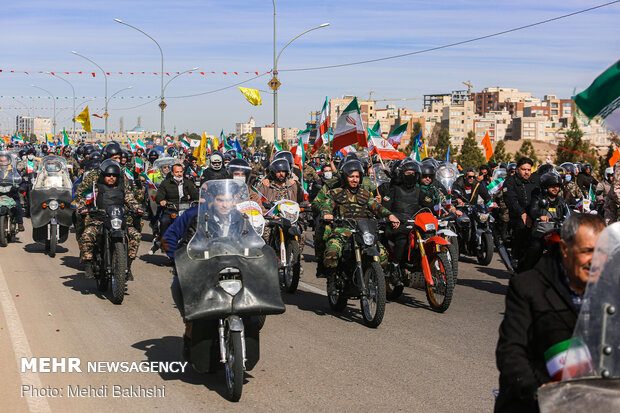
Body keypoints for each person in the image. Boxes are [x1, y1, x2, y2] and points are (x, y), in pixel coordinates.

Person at [494, 214, 605, 413]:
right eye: (588, 251)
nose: (596, 260)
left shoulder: (610, 291)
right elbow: (511, 352)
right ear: (565, 249)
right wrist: (538, 391)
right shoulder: (528, 287)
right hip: (536, 402)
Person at [318, 159, 400, 295]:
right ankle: (331, 280)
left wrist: (390, 216)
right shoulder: (335, 192)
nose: (354, 180)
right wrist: (327, 213)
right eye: (351, 176)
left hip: (364, 231)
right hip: (343, 230)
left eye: (357, 176)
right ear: (345, 177)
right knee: (332, 251)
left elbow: (376, 207)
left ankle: (375, 277)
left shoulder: (365, 194)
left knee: (384, 255)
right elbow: (327, 205)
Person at [75, 160, 143, 280]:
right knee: (87, 235)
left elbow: (131, 200)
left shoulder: (123, 188)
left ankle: (128, 264)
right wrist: (83, 208)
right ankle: (88, 263)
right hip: (99, 219)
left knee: (135, 235)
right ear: (103, 176)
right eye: (108, 175)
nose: (111, 178)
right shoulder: (96, 188)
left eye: (114, 175)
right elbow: (83, 198)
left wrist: (137, 209)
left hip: (118, 219)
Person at [380, 158, 421, 286]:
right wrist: (393, 217)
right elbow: (386, 207)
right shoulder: (393, 189)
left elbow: (429, 206)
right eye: (408, 173)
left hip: (414, 225)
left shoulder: (419, 191)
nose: (411, 176)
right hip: (396, 226)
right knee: (402, 238)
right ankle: (394, 267)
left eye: (414, 174)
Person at [518, 172, 569, 272]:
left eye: (557, 186)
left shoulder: (561, 201)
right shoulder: (539, 198)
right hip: (541, 231)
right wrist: (539, 216)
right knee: (536, 246)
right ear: (545, 187)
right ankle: (525, 270)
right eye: (552, 186)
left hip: (557, 231)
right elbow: (533, 209)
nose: (555, 189)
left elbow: (568, 212)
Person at [152, 163, 199, 254]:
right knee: (164, 221)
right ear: (172, 173)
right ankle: (164, 242)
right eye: (177, 172)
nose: (179, 174)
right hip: (171, 209)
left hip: (185, 209)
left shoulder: (188, 183)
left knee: (196, 221)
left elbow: (195, 194)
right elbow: (159, 196)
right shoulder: (166, 183)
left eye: (181, 172)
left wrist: (201, 199)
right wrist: (162, 200)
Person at [503, 157, 539, 270]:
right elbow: (511, 200)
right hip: (518, 217)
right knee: (520, 235)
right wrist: (522, 214)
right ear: (518, 169)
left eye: (529, 169)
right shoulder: (510, 181)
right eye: (524, 169)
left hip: (535, 216)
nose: (527, 172)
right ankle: (516, 262)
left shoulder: (536, 179)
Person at [0, 151, 25, 231]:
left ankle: (20, 223)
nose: (3, 162)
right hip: (0, 193)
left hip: (12, 194)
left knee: (17, 206)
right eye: (1, 161)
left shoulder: (15, 171)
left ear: (8, 161)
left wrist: (22, 187)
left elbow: (22, 181)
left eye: (4, 161)